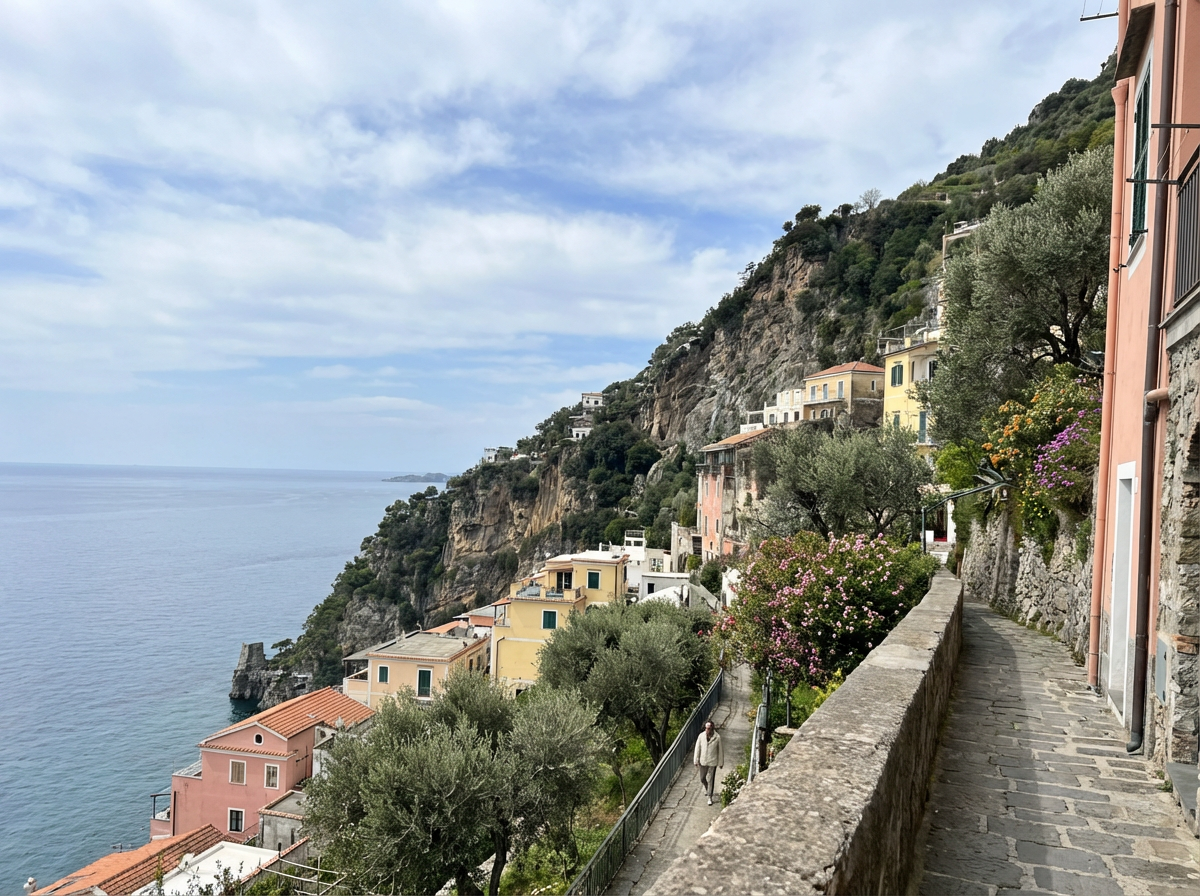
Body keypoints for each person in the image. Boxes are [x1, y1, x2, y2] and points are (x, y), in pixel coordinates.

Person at [693, 719, 724, 806]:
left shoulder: (717, 737)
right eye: (706, 728)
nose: (707, 730)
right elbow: (697, 748)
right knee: (702, 778)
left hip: (712, 761)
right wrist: (696, 759)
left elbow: (720, 751)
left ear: (712, 728)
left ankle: (710, 796)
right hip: (703, 761)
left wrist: (720, 762)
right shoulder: (701, 736)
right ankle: (707, 788)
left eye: (709, 728)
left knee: (711, 779)